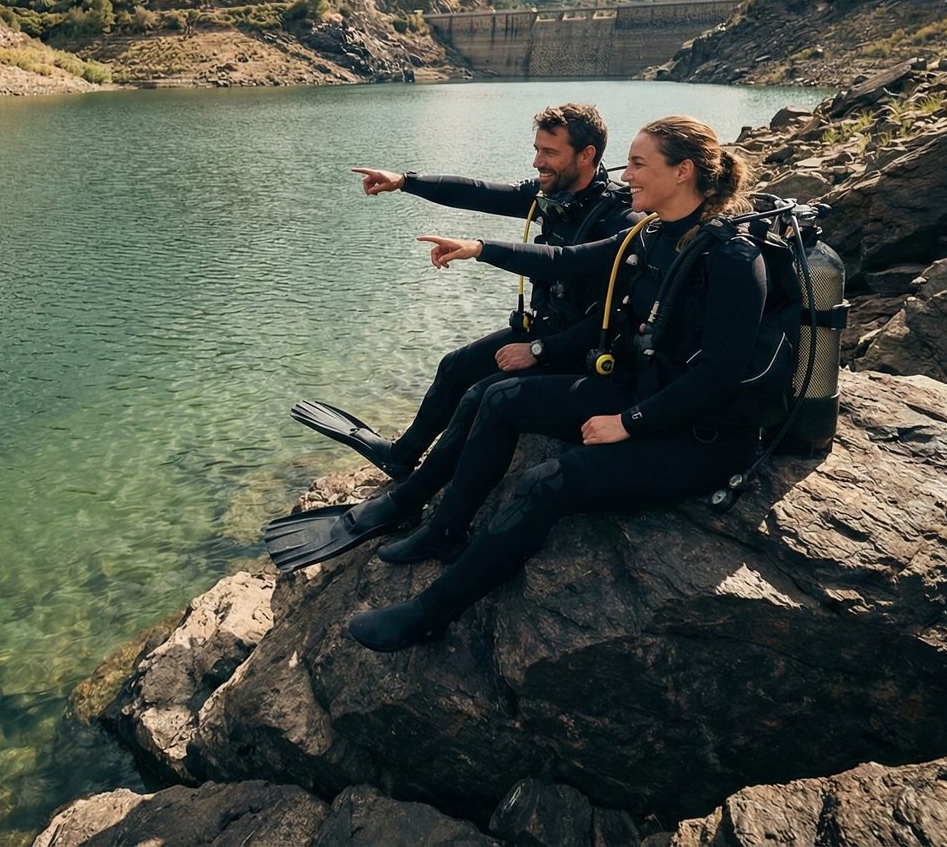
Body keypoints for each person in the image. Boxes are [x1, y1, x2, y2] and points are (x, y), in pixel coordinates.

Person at [330, 116, 793, 652]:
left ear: (683, 171)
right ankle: (446, 529)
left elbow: (718, 376)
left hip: (702, 437)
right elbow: (567, 260)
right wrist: (480, 248)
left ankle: (429, 614)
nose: (630, 175)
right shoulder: (651, 231)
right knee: (499, 398)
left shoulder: (734, 260)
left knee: (544, 484)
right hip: (643, 392)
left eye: (640, 164)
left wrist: (627, 423)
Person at [290, 103, 634, 480]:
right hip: (548, 329)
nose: (537, 162)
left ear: (587, 155)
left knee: (478, 397)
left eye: (550, 152)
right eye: (536, 149)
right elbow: (480, 192)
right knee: (455, 366)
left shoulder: (619, 220)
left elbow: (570, 271)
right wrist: (405, 180)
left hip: (584, 349)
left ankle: (425, 490)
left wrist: (538, 349)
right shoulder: (553, 197)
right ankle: (402, 455)